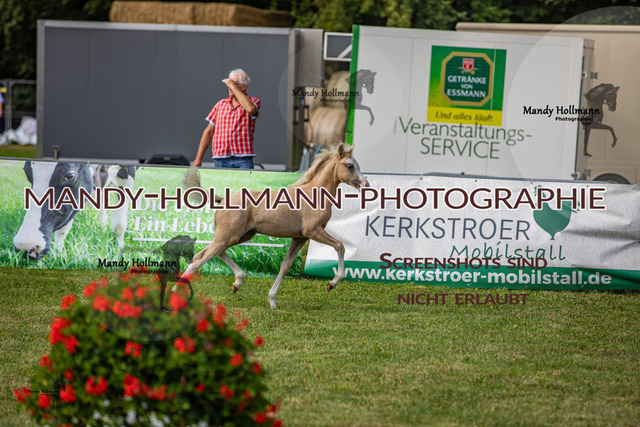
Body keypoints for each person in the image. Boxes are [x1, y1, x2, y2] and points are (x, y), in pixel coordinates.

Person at [193, 69, 260, 169]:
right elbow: (209, 131)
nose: (229, 87)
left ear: (244, 87)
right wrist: (198, 158)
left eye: (233, 83)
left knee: (245, 180)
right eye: (229, 84)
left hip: (243, 158)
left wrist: (232, 86)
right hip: (221, 158)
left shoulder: (253, 101)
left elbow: (250, 109)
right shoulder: (220, 104)